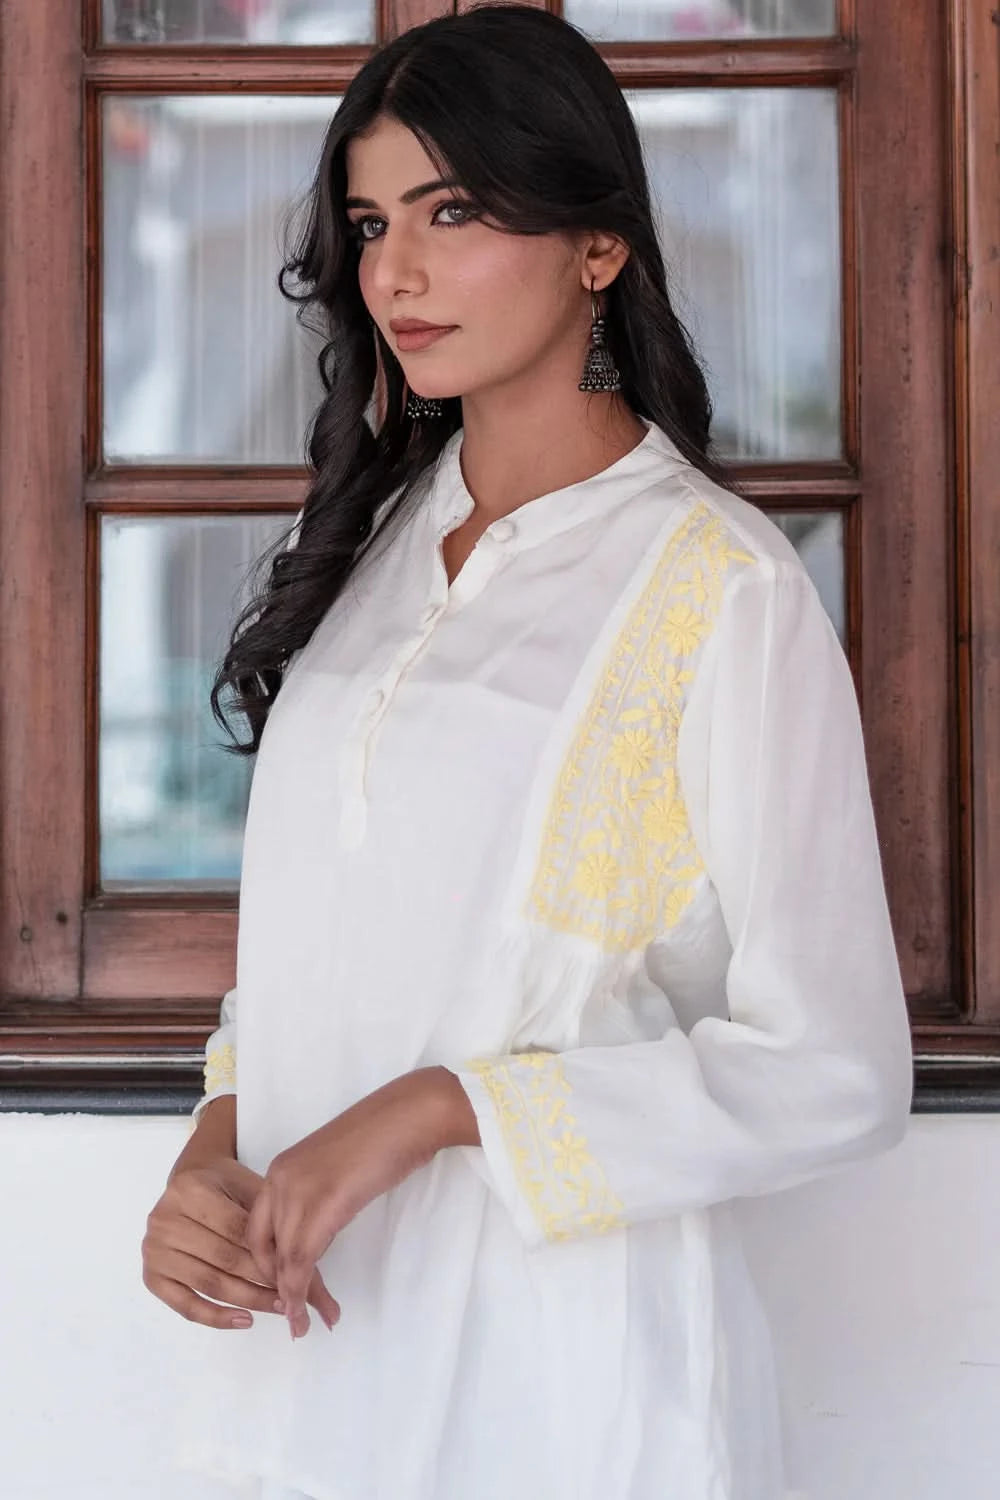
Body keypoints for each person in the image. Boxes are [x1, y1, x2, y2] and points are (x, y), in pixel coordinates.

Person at [141, 6, 914, 1498]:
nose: (396, 272)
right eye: (372, 222)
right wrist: (211, 1153)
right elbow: (327, 945)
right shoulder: (368, 557)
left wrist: (444, 1108)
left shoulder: (720, 593)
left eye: (456, 211)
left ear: (599, 246)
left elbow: (836, 1068)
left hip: (565, 1372)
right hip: (307, 1358)